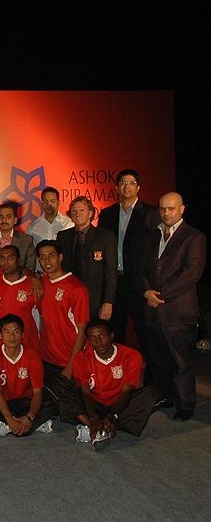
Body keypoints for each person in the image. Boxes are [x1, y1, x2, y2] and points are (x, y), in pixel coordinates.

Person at [140, 192, 207, 421]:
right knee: (158, 359)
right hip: (152, 310)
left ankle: (185, 404)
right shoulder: (152, 235)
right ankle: (166, 396)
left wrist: (160, 296)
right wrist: (146, 291)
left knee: (181, 361)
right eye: (162, 208)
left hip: (178, 312)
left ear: (182, 209)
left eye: (171, 208)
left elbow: (191, 273)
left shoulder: (194, 237)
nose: (166, 213)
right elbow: (142, 268)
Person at [71, 319, 164, 450]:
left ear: (112, 336)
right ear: (88, 341)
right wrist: (92, 416)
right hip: (94, 403)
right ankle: (97, 425)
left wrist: (113, 415)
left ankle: (105, 425)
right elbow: (85, 393)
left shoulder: (131, 355)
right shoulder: (81, 358)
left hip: (119, 404)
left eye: (102, 336)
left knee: (153, 394)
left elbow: (127, 391)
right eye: (93, 338)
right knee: (61, 387)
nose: (98, 342)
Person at [97, 169, 160, 345]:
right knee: (115, 334)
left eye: (132, 183)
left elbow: (155, 251)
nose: (127, 187)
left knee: (146, 334)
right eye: (123, 183)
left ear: (138, 187)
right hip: (114, 283)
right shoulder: (107, 214)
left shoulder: (151, 213)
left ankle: (149, 364)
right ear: (117, 187)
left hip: (139, 283)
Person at [35, 239, 92, 425]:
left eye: (51, 255)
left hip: (69, 359)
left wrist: (70, 366)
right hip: (46, 358)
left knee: (59, 389)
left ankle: (90, 424)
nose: (47, 261)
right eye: (42, 257)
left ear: (60, 257)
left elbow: (82, 331)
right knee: (37, 395)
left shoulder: (76, 288)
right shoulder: (40, 283)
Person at [0, 314, 57, 438]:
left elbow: (37, 391)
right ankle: (31, 425)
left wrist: (30, 416)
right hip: (3, 402)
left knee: (53, 405)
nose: (12, 336)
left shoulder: (32, 356)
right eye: (7, 332)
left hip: (25, 402)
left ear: (23, 334)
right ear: (0, 335)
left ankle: (10, 427)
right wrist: (9, 419)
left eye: (16, 332)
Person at [56, 196, 117, 320]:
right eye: (74, 211)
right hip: (69, 298)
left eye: (81, 210)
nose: (77, 214)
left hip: (95, 301)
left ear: (90, 213)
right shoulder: (63, 236)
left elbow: (111, 272)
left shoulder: (105, 236)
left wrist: (108, 302)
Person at [0, 245, 41, 353]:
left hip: (28, 347)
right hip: (2, 348)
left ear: (18, 259)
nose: (6, 262)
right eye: (2, 258)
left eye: (10, 258)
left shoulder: (33, 286)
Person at [0, 203, 36, 271]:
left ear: (15, 220)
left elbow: (30, 269)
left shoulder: (26, 240)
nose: (4, 220)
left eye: (8, 217)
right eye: (1, 217)